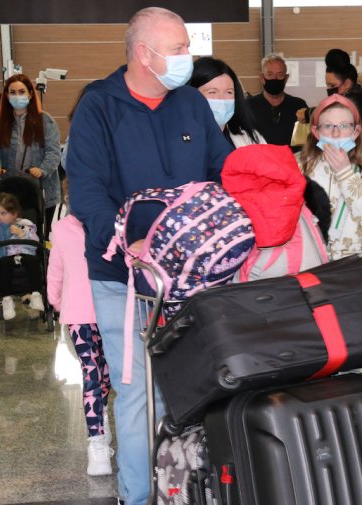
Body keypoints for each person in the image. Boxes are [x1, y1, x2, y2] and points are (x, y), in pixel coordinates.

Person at [64, 7, 232, 504]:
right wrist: (124, 238)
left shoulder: (189, 105)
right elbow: (87, 191)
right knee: (138, 394)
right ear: (144, 53)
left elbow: (222, 171)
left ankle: (182, 491)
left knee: (187, 390)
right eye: (179, 48)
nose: (188, 57)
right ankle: (137, 497)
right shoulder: (99, 105)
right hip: (123, 277)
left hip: (191, 278)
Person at [47, 179, 113, 477]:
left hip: (101, 310)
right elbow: (56, 267)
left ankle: (101, 421)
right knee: (94, 372)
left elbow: (55, 269)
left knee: (102, 373)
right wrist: (57, 300)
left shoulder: (110, 221)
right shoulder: (64, 229)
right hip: (88, 312)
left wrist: (56, 300)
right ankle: (96, 440)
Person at [296, 94, 362, 260]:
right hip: (305, 262)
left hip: (351, 265)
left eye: (344, 125)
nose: (336, 133)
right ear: (316, 132)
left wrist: (346, 173)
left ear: (356, 132)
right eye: (327, 126)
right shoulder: (297, 164)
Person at [0, 74, 62, 236]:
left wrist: (42, 170)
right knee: (6, 232)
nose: (17, 96)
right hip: (10, 188)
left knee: (38, 233)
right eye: (12, 92)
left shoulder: (45, 121)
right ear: (6, 95)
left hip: (40, 191)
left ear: (30, 94)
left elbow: (53, 153)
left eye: (21, 91)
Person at [0, 192, 44, 320]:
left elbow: (35, 243)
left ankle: (36, 295)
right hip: (6, 258)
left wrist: (21, 233)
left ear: (14, 214)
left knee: (33, 260)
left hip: (26, 256)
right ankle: (7, 299)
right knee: (4, 263)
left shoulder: (25, 224)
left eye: (3, 213)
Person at [189, 56, 265, 147]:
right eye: (212, 92)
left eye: (229, 92)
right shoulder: (179, 139)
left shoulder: (250, 138)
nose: (222, 99)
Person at [297, 48, 362, 128]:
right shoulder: (359, 98)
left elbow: (331, 113)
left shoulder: (354, 103)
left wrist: (307, 114)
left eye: (332, 86)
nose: (329, 89)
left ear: (347, 84)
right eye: (328, 85)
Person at [245, 54, 308, 149]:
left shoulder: (299, 106)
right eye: (270, 74)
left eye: (280, 75)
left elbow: (307, 141)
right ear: (262, 77)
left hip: (292, 162)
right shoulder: (248, 107)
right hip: (259, 162)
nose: (275, 79)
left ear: (286, 78)